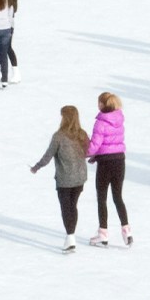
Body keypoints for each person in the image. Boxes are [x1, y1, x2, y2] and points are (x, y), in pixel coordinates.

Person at [31, 104, 89, 251]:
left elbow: (48, 155)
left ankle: (70, 237)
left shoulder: (58, 136)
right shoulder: (82, 134)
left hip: (65, 179)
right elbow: (89, 152)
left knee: (66, 207)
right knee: (73, 206)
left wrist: (37, 166)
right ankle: (71, 235)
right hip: (80, 177)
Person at [86, 92, 130, 247]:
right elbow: (111, 144)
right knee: (118, 196)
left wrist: (85, 153)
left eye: (99, 102)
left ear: (103, 104)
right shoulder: (119, 119)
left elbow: (95, 145)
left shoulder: (101, 122)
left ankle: (103, 233)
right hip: (119, 160)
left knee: (102, 198)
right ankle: (126, 229)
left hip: (105, 164)